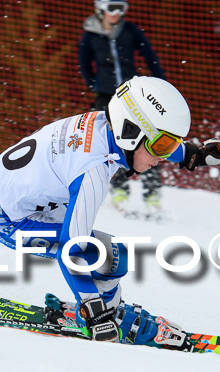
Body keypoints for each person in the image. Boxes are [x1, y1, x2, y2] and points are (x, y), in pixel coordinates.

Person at [0, 76, 220, 347]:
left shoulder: (106, 127)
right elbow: (72, 248)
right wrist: (94, 313)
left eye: (170, 145)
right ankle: (108, 316)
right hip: (9, 220)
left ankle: (108, 310)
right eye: (163, 146)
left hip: (11, 197)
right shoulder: (93, 170)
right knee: (107, 256)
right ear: (130, 132)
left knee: (113, 255)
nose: (163, 157)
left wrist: (191, 154)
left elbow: (140, 140)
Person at [79, 0, 165, 214]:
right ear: (100, 10)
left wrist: (160, 82)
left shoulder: (130, 31)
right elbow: (84, 62)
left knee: (149, 136)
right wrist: (94, 84)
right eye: (111, 8)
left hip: (132, 94)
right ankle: (119, 190)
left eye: (121, 8)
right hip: (107, 96)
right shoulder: (90, 34)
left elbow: (149, 56)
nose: (116, 14)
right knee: (113, 140)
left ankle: (152, 194)